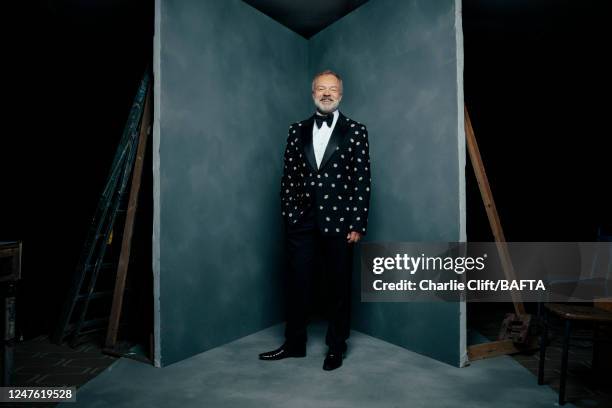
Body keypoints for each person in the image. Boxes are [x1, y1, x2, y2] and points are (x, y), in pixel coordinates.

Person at [259, 70, 372, 371]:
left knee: (337, 287)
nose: (326, 93)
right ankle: (294, 344)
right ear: (312, 94)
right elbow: (288, 179)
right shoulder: (296, 129)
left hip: (340, 222)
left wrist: (357, 224)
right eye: (320, 89)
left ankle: (336, 347)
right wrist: (290, 215)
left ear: (340, 94)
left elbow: (362, 180)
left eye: (331, 89)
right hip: (302, 222)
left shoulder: (356, 130)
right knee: (297, 284)